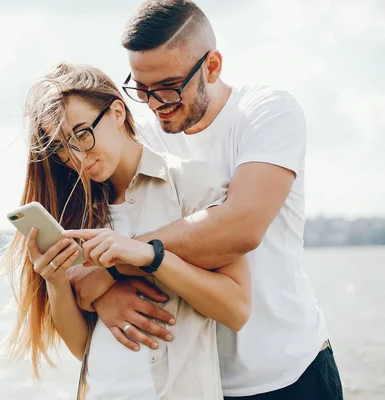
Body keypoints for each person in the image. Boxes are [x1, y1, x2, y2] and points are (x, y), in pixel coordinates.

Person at [69, 1, 344, 399]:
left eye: (168, 87)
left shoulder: (266, 113)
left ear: (212, 66)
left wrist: (117, 266)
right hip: (198, 382)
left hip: (291, 372)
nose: (153, 104)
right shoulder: (142, 135)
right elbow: (94, 253)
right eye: (141, 89)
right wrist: (106, 297)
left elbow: (240, 228)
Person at [2, 61, 251, 399]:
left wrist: (151, 257)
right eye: (61, 147)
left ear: (117, 111)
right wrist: (57, 281)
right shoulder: (79, 214)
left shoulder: (192, 184)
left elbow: (236, 310)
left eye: (81, 133)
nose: (76, 156)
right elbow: (81, 348)